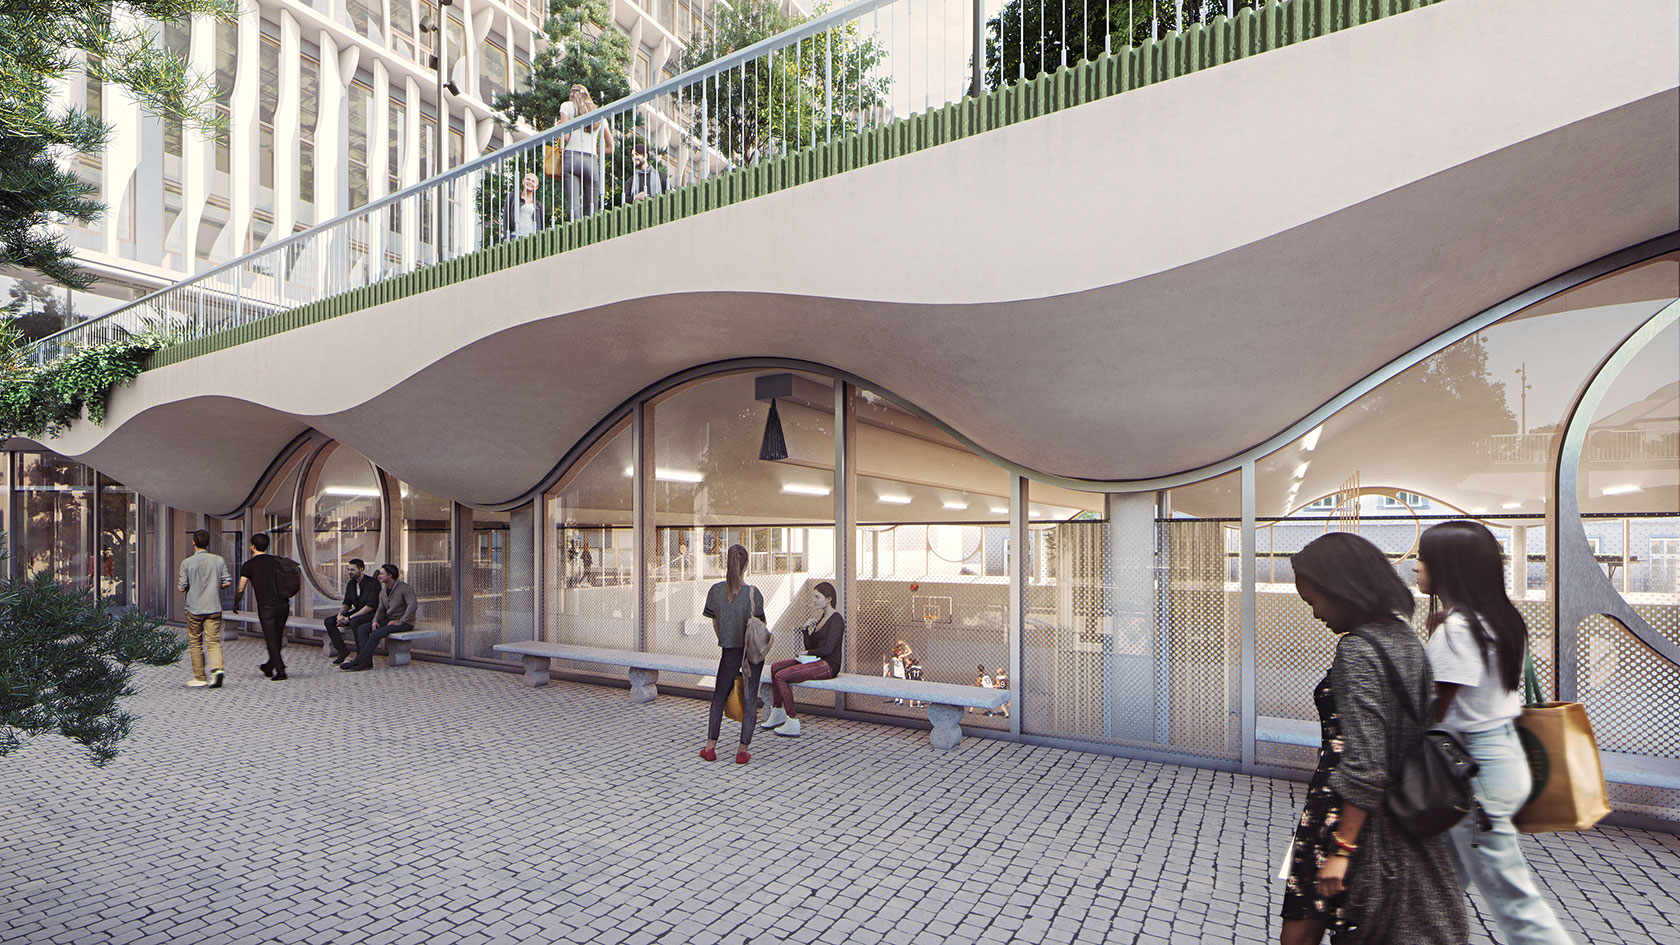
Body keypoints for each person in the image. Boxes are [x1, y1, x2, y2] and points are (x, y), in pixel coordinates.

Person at [1280, 532, 1466, 945]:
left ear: (1344, 590)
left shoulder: (1357, 649)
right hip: (1392, 811)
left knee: (1303, 933)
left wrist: (1342, 850)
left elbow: (1365, 761)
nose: (1315, 614)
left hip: (1344, 814)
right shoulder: (1405, 638)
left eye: (1314, 602)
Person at [1415, 521, 1576, 945]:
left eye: (1423, 558)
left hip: (1471, 775)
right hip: (1501, 759)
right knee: (1434, 890)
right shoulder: (1499, 619)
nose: (1415, 566)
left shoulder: (1457, 630)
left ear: (1449, 568)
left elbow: (1431, 712)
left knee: (1515, 902)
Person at [699, 544, 764, 764]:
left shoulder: (716, 591)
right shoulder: (754, 594)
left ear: (727, 564)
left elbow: (715, 623)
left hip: (729, 651)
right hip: (751, 655)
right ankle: (742, 751)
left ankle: (710, 747)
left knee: (719, 696)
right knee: (750, 699)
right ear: (746, 565)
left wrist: (725, 639)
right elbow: (760, 626)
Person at [761, 581, 845, 738]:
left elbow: (828, 649)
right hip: (815, 661)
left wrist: (806, 652)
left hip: (828, 665)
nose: (814, 600)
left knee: (781, 676)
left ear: (828, 599)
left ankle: (792, 721)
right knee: (776, 667)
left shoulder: (837, 620)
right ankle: (778, 711)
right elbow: (811, 644)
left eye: (817, 597)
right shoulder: (821, 618)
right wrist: (806, 630)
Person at [177, 528, 231, 688]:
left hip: (193, 608)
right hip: (214, 606)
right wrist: (216, 586)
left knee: (195, 642)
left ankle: (200, 677)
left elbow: (181, 587)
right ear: (207, 543)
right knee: (213, 641)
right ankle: (217, 670)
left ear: (193, 542)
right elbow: (227, 582)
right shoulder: (218, 560)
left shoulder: (186, 563)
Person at [341, 564, 416, 672]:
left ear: (390, 575)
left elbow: (412, 605)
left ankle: (358, 660)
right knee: (362, 629)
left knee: (377, 634)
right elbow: (380, 609)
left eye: (382, 574)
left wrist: (400, 621)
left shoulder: (405, 588)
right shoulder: (383, 592)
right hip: (389, 620)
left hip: (405, 623)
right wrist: (375, 621)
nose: (379, 576)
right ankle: (366, 662)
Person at [237, 533, 290, 681]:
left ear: (252, 546)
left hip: (266, 607)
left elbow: (241, 588)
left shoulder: (249, 565)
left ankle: (280, 670)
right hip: (283, 605)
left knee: (270, 638)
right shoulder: (277, 561)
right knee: (277, 636)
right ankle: (269, 665)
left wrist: (236, 603)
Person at [558, 84, 612, 220]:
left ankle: (576, 235)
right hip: (590, 161)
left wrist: (559, 127)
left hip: (571, 157)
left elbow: (565, 137)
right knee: (592, 207)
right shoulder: (599, 114)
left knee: (573, 205)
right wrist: (596, 150)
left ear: (571, 95)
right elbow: (611, 147)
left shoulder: (567, 106)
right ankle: (591, 235)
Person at [324, 558, 380, 666]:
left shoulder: (373, 583)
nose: (350, 572)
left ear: (361, 569)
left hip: (371, 614)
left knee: (355, 622)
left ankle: (362, 657)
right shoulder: (351, 584)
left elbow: (370, 607)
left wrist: (349, 618)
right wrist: (340, 615)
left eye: (352, 570)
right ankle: (342, 650)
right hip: (358, 612)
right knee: (329, 621)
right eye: (348, 569)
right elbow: (347, 603)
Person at [503, 172, 546, 239]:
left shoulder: (539, 205)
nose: (530, 182)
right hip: (515, 236)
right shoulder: (513, 197)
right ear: (523, 181)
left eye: (533, 181)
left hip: (532, 238)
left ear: (536, 187)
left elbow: (542, 225)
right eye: (528, 179)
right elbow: (506, 217)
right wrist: (505, 237)